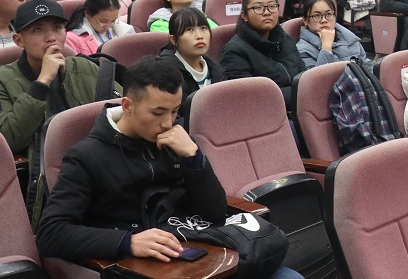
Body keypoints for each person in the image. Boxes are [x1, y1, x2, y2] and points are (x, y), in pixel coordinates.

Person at [34, 57, 299, 279]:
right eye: (157, 113)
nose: (167, 123)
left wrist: (194, 157)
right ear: (127, 106)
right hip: (145, 265)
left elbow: (215, 212)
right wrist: (127, 241)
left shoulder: (177, 139)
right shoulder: (86, 156)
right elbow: (51, 233)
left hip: (197, 248)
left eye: (174, 111)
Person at [0, 0, 120, 221]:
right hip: (47, 187)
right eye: (37, 30)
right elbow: (8, 140)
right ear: (18, 40)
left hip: (102, 173)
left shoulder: (86, 68)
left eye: (57, 28)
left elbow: (126, 111)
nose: (51, 37)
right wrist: (43, 81)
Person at [220, 0, 305, 105]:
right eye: (258, 8)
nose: (267, 12)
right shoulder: (235, 52)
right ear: (244, 15)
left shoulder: (285, 39)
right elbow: (252, 98)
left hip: (299, 107)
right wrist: (302, 93)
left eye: (272, 6)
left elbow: (303, 77)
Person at [157, 8, 226, 109]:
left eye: (203, 28)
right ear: (173, 40)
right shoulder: (165, 72)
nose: (199, 36)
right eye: (189, 30)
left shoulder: (216, 69)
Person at [297, 0, 372, 71]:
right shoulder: (303, 50)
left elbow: (367, 67)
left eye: (329, 14)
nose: (324, 20)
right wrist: (326, 48)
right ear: (305, 20)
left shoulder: (350, 39)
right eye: (317, 16)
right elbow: (317, 77)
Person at [64, 0, 135, 55]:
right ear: (87, 14)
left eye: (113, 20)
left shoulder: (126, 31)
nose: (108, 26)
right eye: (103, 21)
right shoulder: (72, 39)